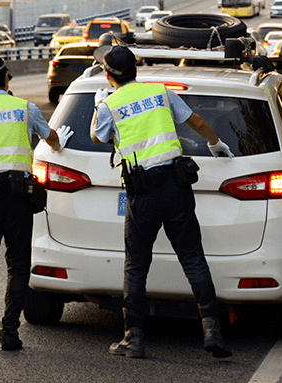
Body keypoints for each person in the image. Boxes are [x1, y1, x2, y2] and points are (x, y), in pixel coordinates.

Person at [89, 44, 234, 359]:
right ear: (135, 69)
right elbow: (194, 122)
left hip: (142, 194)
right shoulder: (161, 92)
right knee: (193, 258)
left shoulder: (108, 105)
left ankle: (134, 338)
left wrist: (99, 103)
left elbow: (96, 138)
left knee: (137, 265)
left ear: (107, 74)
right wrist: (216, 143)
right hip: (177, 186)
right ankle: (212, 331)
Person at [0, 53, 73, 352]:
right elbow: (52, 140)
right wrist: (62, 143)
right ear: (7, 78)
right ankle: (10, 333)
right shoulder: (26, 109)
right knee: (18, 266)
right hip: (20, 197)